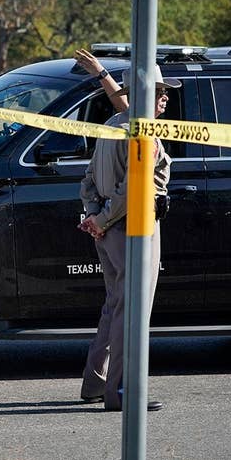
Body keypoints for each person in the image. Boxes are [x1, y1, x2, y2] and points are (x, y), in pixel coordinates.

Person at [77, 64, 179, 412]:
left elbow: (89, 178)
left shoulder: (112, 127)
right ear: (145, 96)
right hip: (132, 228)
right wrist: (102, 218)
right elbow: (132, 189)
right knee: (132, 312)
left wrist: (94, 217)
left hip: (108, 229)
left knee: (116, 306)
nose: (166, 97)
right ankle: (120, 392)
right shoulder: (141, 135)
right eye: (161, 91)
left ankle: (96, 381)